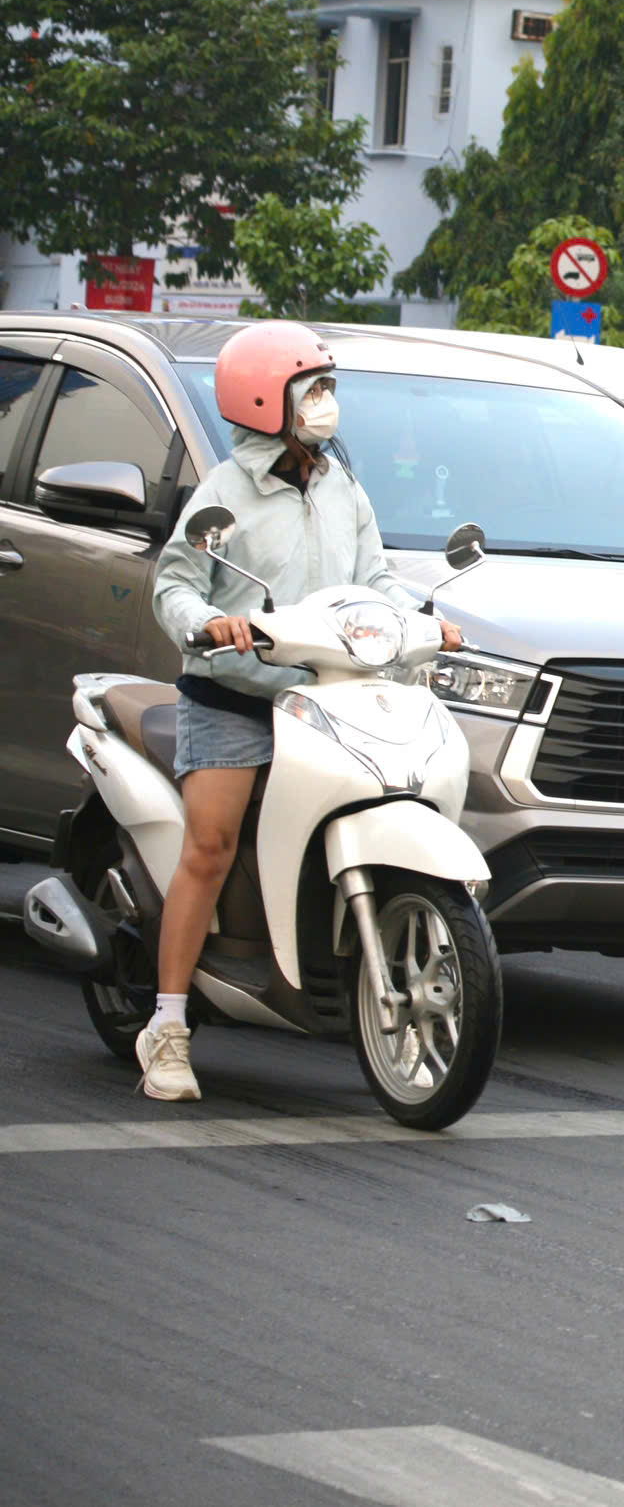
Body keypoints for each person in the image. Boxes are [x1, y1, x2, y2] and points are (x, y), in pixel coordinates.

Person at [144, 322, 463, 1103]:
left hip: (325, 693)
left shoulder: (341, 486)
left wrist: (425, 620)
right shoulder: (223, 494)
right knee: (210, 848)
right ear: (266, 399)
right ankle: (169, 1026)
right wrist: (206, 624)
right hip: (235, 697)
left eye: (326, 387)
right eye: (311, 389)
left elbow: (375, 579)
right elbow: (174, 584)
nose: (326, 403)